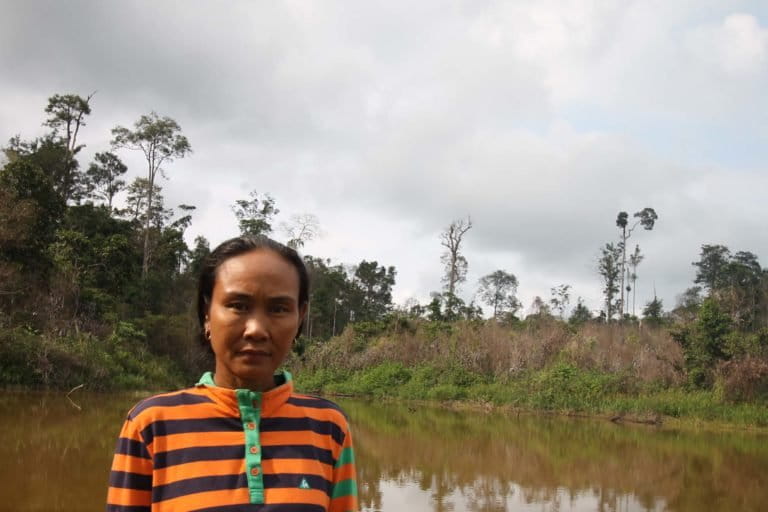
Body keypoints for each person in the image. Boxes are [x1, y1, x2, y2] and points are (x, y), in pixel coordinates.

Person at [106, 235, 358, 512]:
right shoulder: (150, 425)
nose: (256, 330)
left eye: (279, 309)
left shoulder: (329, 426)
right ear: (206, 313)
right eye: (238, 305)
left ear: (300, 318)